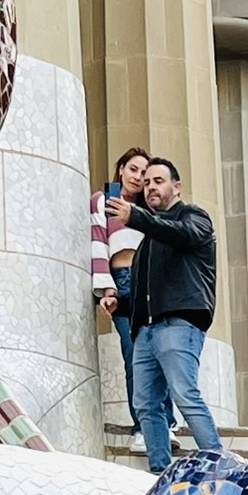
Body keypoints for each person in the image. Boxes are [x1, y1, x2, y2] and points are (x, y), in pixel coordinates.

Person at [126, 157, 222, 473]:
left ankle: (220, 467)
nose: (150, 187)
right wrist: (120, 304)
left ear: (176, 186)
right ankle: (159, 473)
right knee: (145, 404)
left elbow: (184, 234)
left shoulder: (193, 217)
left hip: (179, 323)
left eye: (158, 181)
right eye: (146, 183)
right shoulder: (150, 240)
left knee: (185, 396)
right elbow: (147, 290)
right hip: (147, 331)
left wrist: (136, 218)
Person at [89, 145, 172, 447]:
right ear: (121, 168)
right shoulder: (105, 200)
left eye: (144, 173)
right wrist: (107, 288)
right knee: (133, 354)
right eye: (133, 169)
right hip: (123, 282)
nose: (138, 177)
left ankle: (166, 423)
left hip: (149, 283)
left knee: (159, 353)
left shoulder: (149, 210)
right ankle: (142, 427)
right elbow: (98, 243)